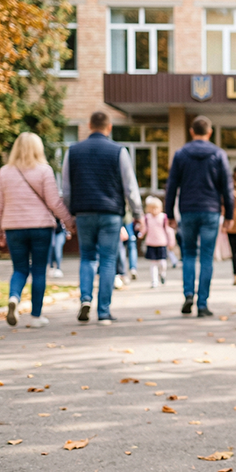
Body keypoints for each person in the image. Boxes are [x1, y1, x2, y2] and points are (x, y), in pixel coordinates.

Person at [63, 111, 143, 325]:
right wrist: (138, 214)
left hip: (84, 213)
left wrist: (70, 214)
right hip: (110, 213)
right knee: (108, 260)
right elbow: (130, 187)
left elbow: (66, 188)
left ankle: (85, 298)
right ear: (109, 128)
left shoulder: (73, 152)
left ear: (89, 125)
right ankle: (104, 311)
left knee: (87, 257)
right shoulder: (119, 151)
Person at [0, 133, 77, 327]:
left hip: (13, 228)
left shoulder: (5, 172)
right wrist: (69, 222)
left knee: (20, 269)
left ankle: (14, 298)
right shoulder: (44, 170)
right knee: (39, 271)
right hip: (41, 227)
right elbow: (54, 202)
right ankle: (36, 316)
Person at [165, 115, 234, 318]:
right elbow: (227, 189)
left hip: (187, 211)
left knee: (188, 254)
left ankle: (188, 294)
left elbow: (171, 187)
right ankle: (202, 304)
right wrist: (229, 214)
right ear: (210, 132)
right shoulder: (219, 154)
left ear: (192, 132)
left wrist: (169, 213)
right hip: (211, 211)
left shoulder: (181, 154)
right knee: (206, 257)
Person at [138, 196, 173, 288]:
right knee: (153, 263)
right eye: (152, 208)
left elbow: (168, 230)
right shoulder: (147, 218)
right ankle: (154, 280)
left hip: (161, 243)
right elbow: (145, 228)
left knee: (162, 263)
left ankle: (162, 274)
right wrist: (140, 234)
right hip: (151, 243)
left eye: (156, 208)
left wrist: (171, 241)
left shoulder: (163, 217)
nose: (154, 210)